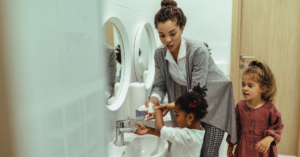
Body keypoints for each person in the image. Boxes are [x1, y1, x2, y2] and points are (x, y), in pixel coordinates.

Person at [144, 0, 237, 156]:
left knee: (208, 153)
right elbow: (159, 85)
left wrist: (172, 105)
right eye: (162, 35)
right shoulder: (159, 54)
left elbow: (196, 92)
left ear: (182, 28)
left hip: (214, 100)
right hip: (189, 104)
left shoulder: (198, 51)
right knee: (188, 149)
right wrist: (153, 101)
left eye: (172, 34)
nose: (167, 40)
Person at [226, 61, 284, 157]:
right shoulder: (240, 106)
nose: (245, 88)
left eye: (250, 85)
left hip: (263, 153)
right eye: (243, 84)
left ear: (263, 88)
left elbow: (279, 127)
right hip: (243, 150)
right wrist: (230, 145)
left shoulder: (270, 108)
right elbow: (234, 127)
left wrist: (269, 138)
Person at [135, 84, 208, 157]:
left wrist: (157, 107)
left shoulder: (189, 136)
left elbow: (160, 130)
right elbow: (170, 135)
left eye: (177, 114)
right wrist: (148, 129)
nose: (175, 117)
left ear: (190, 118)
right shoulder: (194, 131)